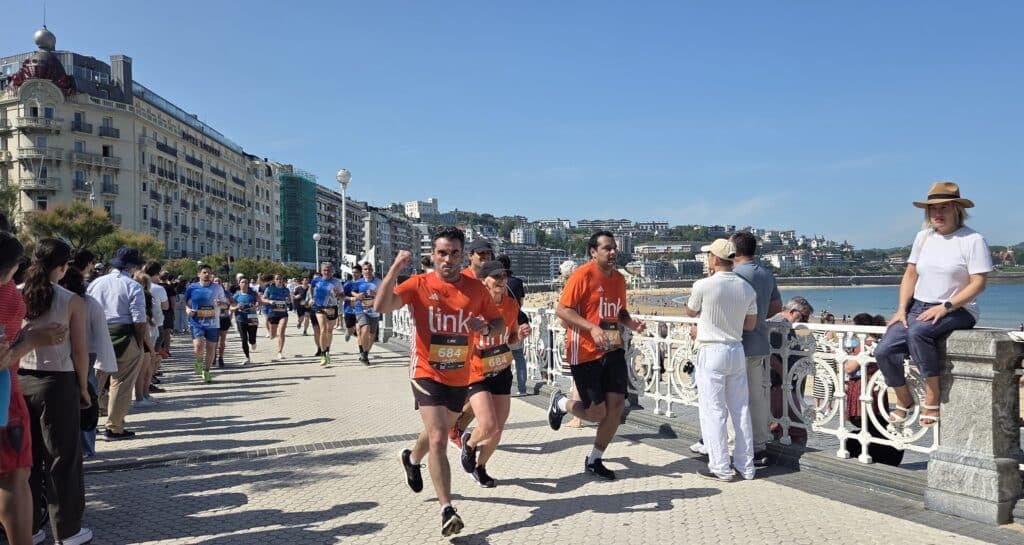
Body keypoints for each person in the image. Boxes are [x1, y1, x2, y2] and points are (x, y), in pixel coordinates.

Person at [376, 227, 502, 537]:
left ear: (462, 255)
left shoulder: (475, 289)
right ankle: (447, 509)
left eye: (454, 253)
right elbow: (381, 306)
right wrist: (395, 268)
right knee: (438, 438)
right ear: (432, 255)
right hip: (426, 371)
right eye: (442, 253)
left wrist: (484, 327)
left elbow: (499, 322)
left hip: (458, 374)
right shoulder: (419, 284)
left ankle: (411, 457)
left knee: (440, 431)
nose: (448, 259)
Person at [875, 181, 991, 428]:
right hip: (919, 306)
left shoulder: (972, 239)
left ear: (957, 209)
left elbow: (978, 283)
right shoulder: (924, 237)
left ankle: (932, 395)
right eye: (932, 209)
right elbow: (910, 275)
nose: (937, 214)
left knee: (918, 333)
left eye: (944, 208)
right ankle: (905, 399)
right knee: (884, 350)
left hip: (959, 309)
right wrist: (901, 309)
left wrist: (946, 306)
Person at [546, 231, 646, 481]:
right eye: (606, 248)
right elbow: (562, 310)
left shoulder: (620, 280)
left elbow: (619, 312)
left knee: (618, 407)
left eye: (614, 248)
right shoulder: (583, 275)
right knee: (596, 413)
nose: (612, 252)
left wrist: (630, 323)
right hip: (585, 352)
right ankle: (560, 403)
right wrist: (591, 327)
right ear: (593, 251)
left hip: (613, 349)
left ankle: (594, 459)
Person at [19, 238, 93, 545]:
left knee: (28, 459)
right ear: (63, 268)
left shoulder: (14, 295)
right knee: (63, 458)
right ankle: (68, 530)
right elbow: (80, 351)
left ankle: (29, 527)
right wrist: (84, 387)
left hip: (19, 379)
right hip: (58, 382)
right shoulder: (70, 300)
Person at [0, 229, 68, 545]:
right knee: (15, 477)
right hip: (5, 394)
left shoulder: (12, 292)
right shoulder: (6, 295)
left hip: (13, 387)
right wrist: (35, 339)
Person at [682, 239, 757, 482]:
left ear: (714, 259)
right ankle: (746, 465)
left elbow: (691, 311)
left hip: (711, 350)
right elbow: (750, 324)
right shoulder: (747, 288)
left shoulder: (703, 285)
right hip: (736, 348)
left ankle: (721, 466)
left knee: (713, 410)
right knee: (740, 409)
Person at [458, 260, 530, 487]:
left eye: (504, 276)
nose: (502, 280)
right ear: (484, 281)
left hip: (501, 369)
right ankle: (469, 443)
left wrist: (520, 335)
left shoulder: (510, 305)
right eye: (496, 277)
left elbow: (509, 339)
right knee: (488, 425)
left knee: (498, 428)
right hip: (478, 372)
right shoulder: (474, 305)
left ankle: (481, 467)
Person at [728, 231, 781, 467]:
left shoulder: (733, 275)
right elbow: (776, 307)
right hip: (760, 342)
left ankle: (736, 448)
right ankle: (759, 446)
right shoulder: (766, 274)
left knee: (732, 400)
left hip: (736, 343)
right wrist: (757, 319)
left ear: (734, 250)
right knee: (758, 399)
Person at [86, 247, 148, 440]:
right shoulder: (133, 286)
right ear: (131, 267)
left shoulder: (96, 283)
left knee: (95, 381)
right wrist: (139, 342)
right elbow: (139, 320)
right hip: (124, 333)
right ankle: (114, 427)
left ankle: (89, 423)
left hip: (97, 334)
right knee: (122, 383)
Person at [58, 265, 116, 458]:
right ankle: (85, 447)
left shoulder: (86, 303)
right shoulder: (88, 303)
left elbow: (101, 335)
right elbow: (102, 336)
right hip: (84, 356)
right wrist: (104, 364)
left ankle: (85, 446)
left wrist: (104, 363)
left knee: (86, 401)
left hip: (83, 356)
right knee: (86, 401)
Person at [767, 296, 813, 445]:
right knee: (794, 427)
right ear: (793, 312)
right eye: (804, 317)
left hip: (786, 382)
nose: (806, 322)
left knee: (786, 422)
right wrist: (785, 376)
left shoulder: (790, 325)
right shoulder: (779, 324)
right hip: (780, 383)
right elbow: (770, 354)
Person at [184, 265, 228, 383]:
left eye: (209, 272)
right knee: (198, 346)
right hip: (196, 322)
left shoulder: (218, 288)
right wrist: (188, 310)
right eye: (204, 272)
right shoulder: (192, 288)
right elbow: (185, 302)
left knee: (210, 348)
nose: (207, 274)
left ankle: (207, 371)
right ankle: (199, 361)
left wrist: (220, 303)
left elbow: (225, 304)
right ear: (199, 274)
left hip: (213, 323)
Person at [498, 254, 531, 396]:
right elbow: (521, 303)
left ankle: (503, 387)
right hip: (517, 321)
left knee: (501, 355)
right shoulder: (517, 282)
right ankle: (522, 388)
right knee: (518, 355)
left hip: (501, 323)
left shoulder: (496, 283)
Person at [310, 263, 345, 366]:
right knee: (323, 329)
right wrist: (312, 298)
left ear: (332, 271)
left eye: (329, 270)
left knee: (329, 331)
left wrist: (337, 294)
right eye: (325, 270)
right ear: (321, 271)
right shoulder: (316, 280)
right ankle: (323, 354)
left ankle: (327, 350)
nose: (327, 272)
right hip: (319, 307)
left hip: (332, 307)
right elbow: (311, 288)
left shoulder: (336, 282)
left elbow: (342, 295)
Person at [351, 262, 382, 365]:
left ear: (372, 270)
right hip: (361, 309)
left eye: (369, 269)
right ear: (362, 271)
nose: (367, 271)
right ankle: (363, 354)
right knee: (365, 329)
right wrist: (358, 295)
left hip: (374, 311)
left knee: (372, 336)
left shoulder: (378, 282)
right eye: (365, 269)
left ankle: (365, 354)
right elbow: (353, 292)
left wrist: (375, 294)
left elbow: (385, 295)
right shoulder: (358, 282)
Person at [231, 277, 260, 365]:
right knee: (244, 339)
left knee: (252, 338)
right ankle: (247, 357)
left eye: (246, 282)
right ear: (239, 284)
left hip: (252, 318)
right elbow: (231, 307)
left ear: (248, 284)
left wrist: (256, 305)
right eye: (242, 282)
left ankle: (253, 342)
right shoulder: (236, 295)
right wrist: (237, 307)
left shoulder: (253, 294)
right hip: (240, 319)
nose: (244, 284)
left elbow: (259, 302)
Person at [263, 275, 291, 361]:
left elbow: (289, 300)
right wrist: (269, 301)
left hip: (283, 313)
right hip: (273, 313)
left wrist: (288, 300)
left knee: (282, 332)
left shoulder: (286, 290)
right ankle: (271, 334)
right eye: (277, 279)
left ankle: (280, 351)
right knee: (273, 335)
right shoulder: (269, 289)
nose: (279, 280)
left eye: (280, 279)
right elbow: (263, 299)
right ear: (274, 280)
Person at [342, 265, 362, 343]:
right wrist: (351, 298)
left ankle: (362, 351)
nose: (354, 274)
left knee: (359, 330)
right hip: (349, 310)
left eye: (356, 272)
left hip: (361, 310)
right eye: (353, 272)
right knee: (350, 328)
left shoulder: (364, 283)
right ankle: (349, 332)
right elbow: (342, 296)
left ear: (360, 273)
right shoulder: (347, 284)